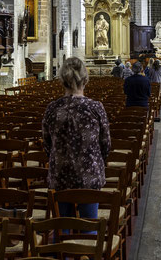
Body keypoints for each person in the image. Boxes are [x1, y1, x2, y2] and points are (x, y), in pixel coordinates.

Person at [42, 57, 110, 220]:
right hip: (89, 175)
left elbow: (47, 144)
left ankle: (60, 245)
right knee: (89, 226)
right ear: (85, 79)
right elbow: (105, 145)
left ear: (61, 80)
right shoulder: (95, 108)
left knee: (61, 226)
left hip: (60, 175)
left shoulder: (53, 108)